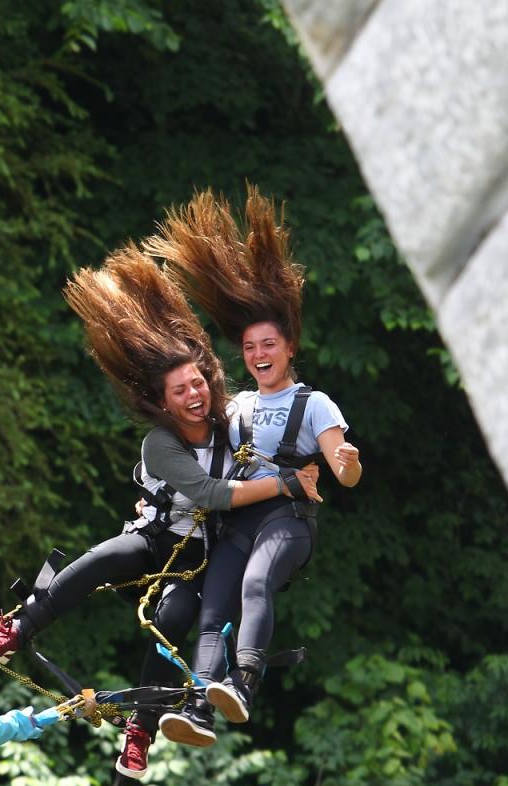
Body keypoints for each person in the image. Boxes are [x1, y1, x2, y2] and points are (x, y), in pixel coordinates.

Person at [0, 243, 319, 778]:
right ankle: (19, 626)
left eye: (199, 383)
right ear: (164, 401)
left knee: (174, 619)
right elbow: (210, 495)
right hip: (156, 540)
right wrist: (283, 486)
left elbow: (275, 426)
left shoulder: (233, 423)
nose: (195, 395)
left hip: (201, 557)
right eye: (181, 391)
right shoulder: (161, 443)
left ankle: (140, 731)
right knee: (106, 556)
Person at [145, 185, 362, 745]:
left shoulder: (314, 404)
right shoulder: (235, 405)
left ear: (289, 347)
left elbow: (344, 472)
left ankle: (242, 682)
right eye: (248, 348)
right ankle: (199, 706)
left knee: (257, 583)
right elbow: (198, 445)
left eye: (268, 345)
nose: (259, 355)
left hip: (287, 522)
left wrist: (345, 460)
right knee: (213, 602)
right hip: (237, 521)